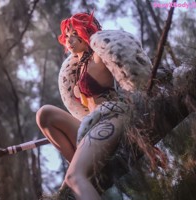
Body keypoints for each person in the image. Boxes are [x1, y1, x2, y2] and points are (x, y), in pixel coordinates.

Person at [36, 12, 129, 200]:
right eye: (67, 36)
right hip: (90, 127)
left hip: (111, 119)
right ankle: (81, 167)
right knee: (44, 114)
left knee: (73, 178)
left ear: (85, 33)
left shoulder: (98, 56)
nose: (69, 40)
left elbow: (128, 69)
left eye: (74, 33)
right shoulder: (76, 69)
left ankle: (77, 175)